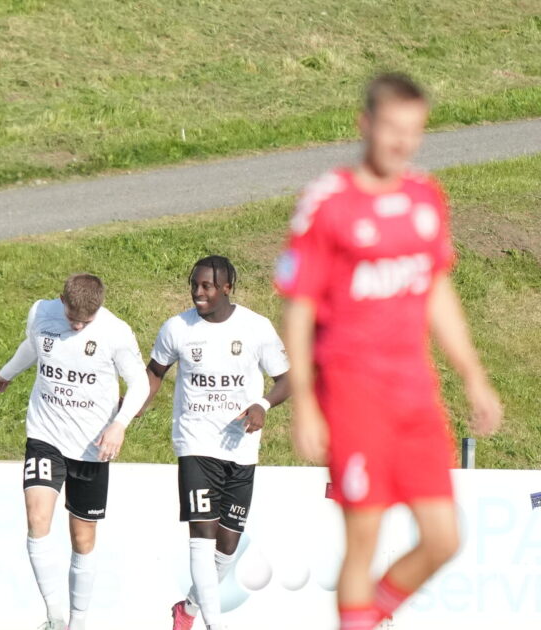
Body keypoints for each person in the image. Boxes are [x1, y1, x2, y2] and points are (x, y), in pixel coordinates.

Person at [276, 73, 502, 630]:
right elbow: (299, 309)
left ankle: (367, 616)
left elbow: (436, 291)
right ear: (366, 125)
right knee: (365, 537)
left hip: (414, 393)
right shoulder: (328, 203)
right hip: (353, 393)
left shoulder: (426, 197)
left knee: (444, 538)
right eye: (392, 128)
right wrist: (305, 404)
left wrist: (473, 375)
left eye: (413, 130)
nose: (402, 142)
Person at [0, 273, 149, 630]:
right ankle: (54, 616)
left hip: (92, 445)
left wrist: (119, 424)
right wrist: (7, 373)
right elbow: (33, 345)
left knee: (82, 538)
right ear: (61, 301)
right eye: (72, 318)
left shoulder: (116, 333)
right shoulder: (41, 312)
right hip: (45, 434)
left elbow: (139, 384)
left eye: (85, 322)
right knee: (37, 519)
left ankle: (78, 622)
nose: (76, 326)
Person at [143, 256, 290, 630]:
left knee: (227, 546)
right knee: (202, 537)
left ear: (227, 288)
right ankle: (214, 625)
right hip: (196, 444)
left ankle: (189, 609)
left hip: (241, 449)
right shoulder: (177, 328)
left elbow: (287, 379)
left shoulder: (256, 328)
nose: (198, 292)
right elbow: (155, 372)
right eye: (194, 285)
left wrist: (262, 405)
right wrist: (131, 409)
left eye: (206, 286)